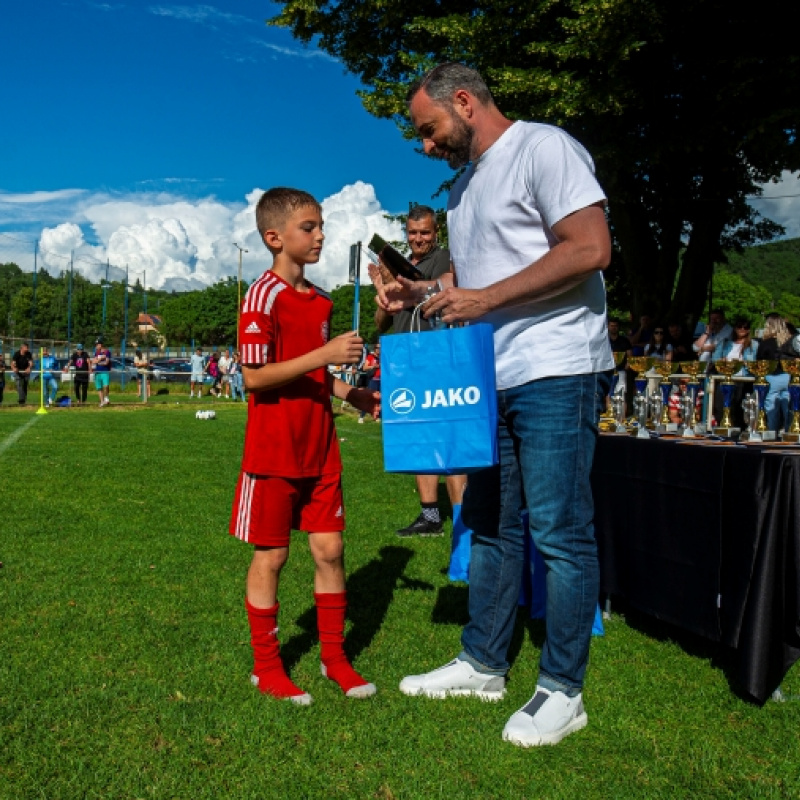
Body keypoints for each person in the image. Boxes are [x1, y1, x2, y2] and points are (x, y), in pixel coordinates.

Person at [372, 63, 613, 747]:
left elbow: (591, 248)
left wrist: (485, 299)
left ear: (466, 102)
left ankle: (564, 690)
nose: (425, 144)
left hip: (557, 366)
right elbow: (472, 278)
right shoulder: (466, 184)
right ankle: (483, 663)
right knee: (491, 525)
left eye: (428, 128)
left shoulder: (545, 148)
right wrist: (420, 293)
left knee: (560, 531)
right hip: (492, 374)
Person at [230, 186, 381, 704]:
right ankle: (267, 667)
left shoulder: (320, 300)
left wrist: (352, 392)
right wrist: (324, 355)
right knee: (271, 557)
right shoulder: (260, 297)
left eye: (321, 226)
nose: (320, 235)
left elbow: (311, 377)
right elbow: (254, 378)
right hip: (273, 452)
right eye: (308, 227)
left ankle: (334, 659)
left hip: (320, 447)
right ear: (274, 237)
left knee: (330, 549)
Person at [374, 205, 467, 537]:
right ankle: (430, 516)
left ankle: (461, 519)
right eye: (412, 233)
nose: (418, 239)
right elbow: (381, 322)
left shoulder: (443, 258)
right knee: (419, 436)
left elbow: (437, 289)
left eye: (424, 233)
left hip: (438, 356)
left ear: (435, 232)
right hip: (404, 358)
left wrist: (397, 282)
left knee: (449, 437)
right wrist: (384, 296)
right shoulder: (402, 266)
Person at [711, 317, 758, 429]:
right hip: (725, 377)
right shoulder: (725, 343)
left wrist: (745, 362)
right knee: (719, 405)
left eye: (745, 327)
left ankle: (739, 428)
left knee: (739, 407)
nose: (742, 329)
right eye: (739, 327)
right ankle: (723, 426)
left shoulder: (754, 344)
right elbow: (714, 358)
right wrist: (721, 361)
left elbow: (756, 362)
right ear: (735, 328)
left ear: (748, 330)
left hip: (743, 378)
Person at [756, 313, 796, 432]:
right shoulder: (789, 342)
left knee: (771, 406)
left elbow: (759, 360)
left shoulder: (766, 343)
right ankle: (789, 430)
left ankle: (772, 431)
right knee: (788, 405)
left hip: (772, 377)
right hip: (787, 376)